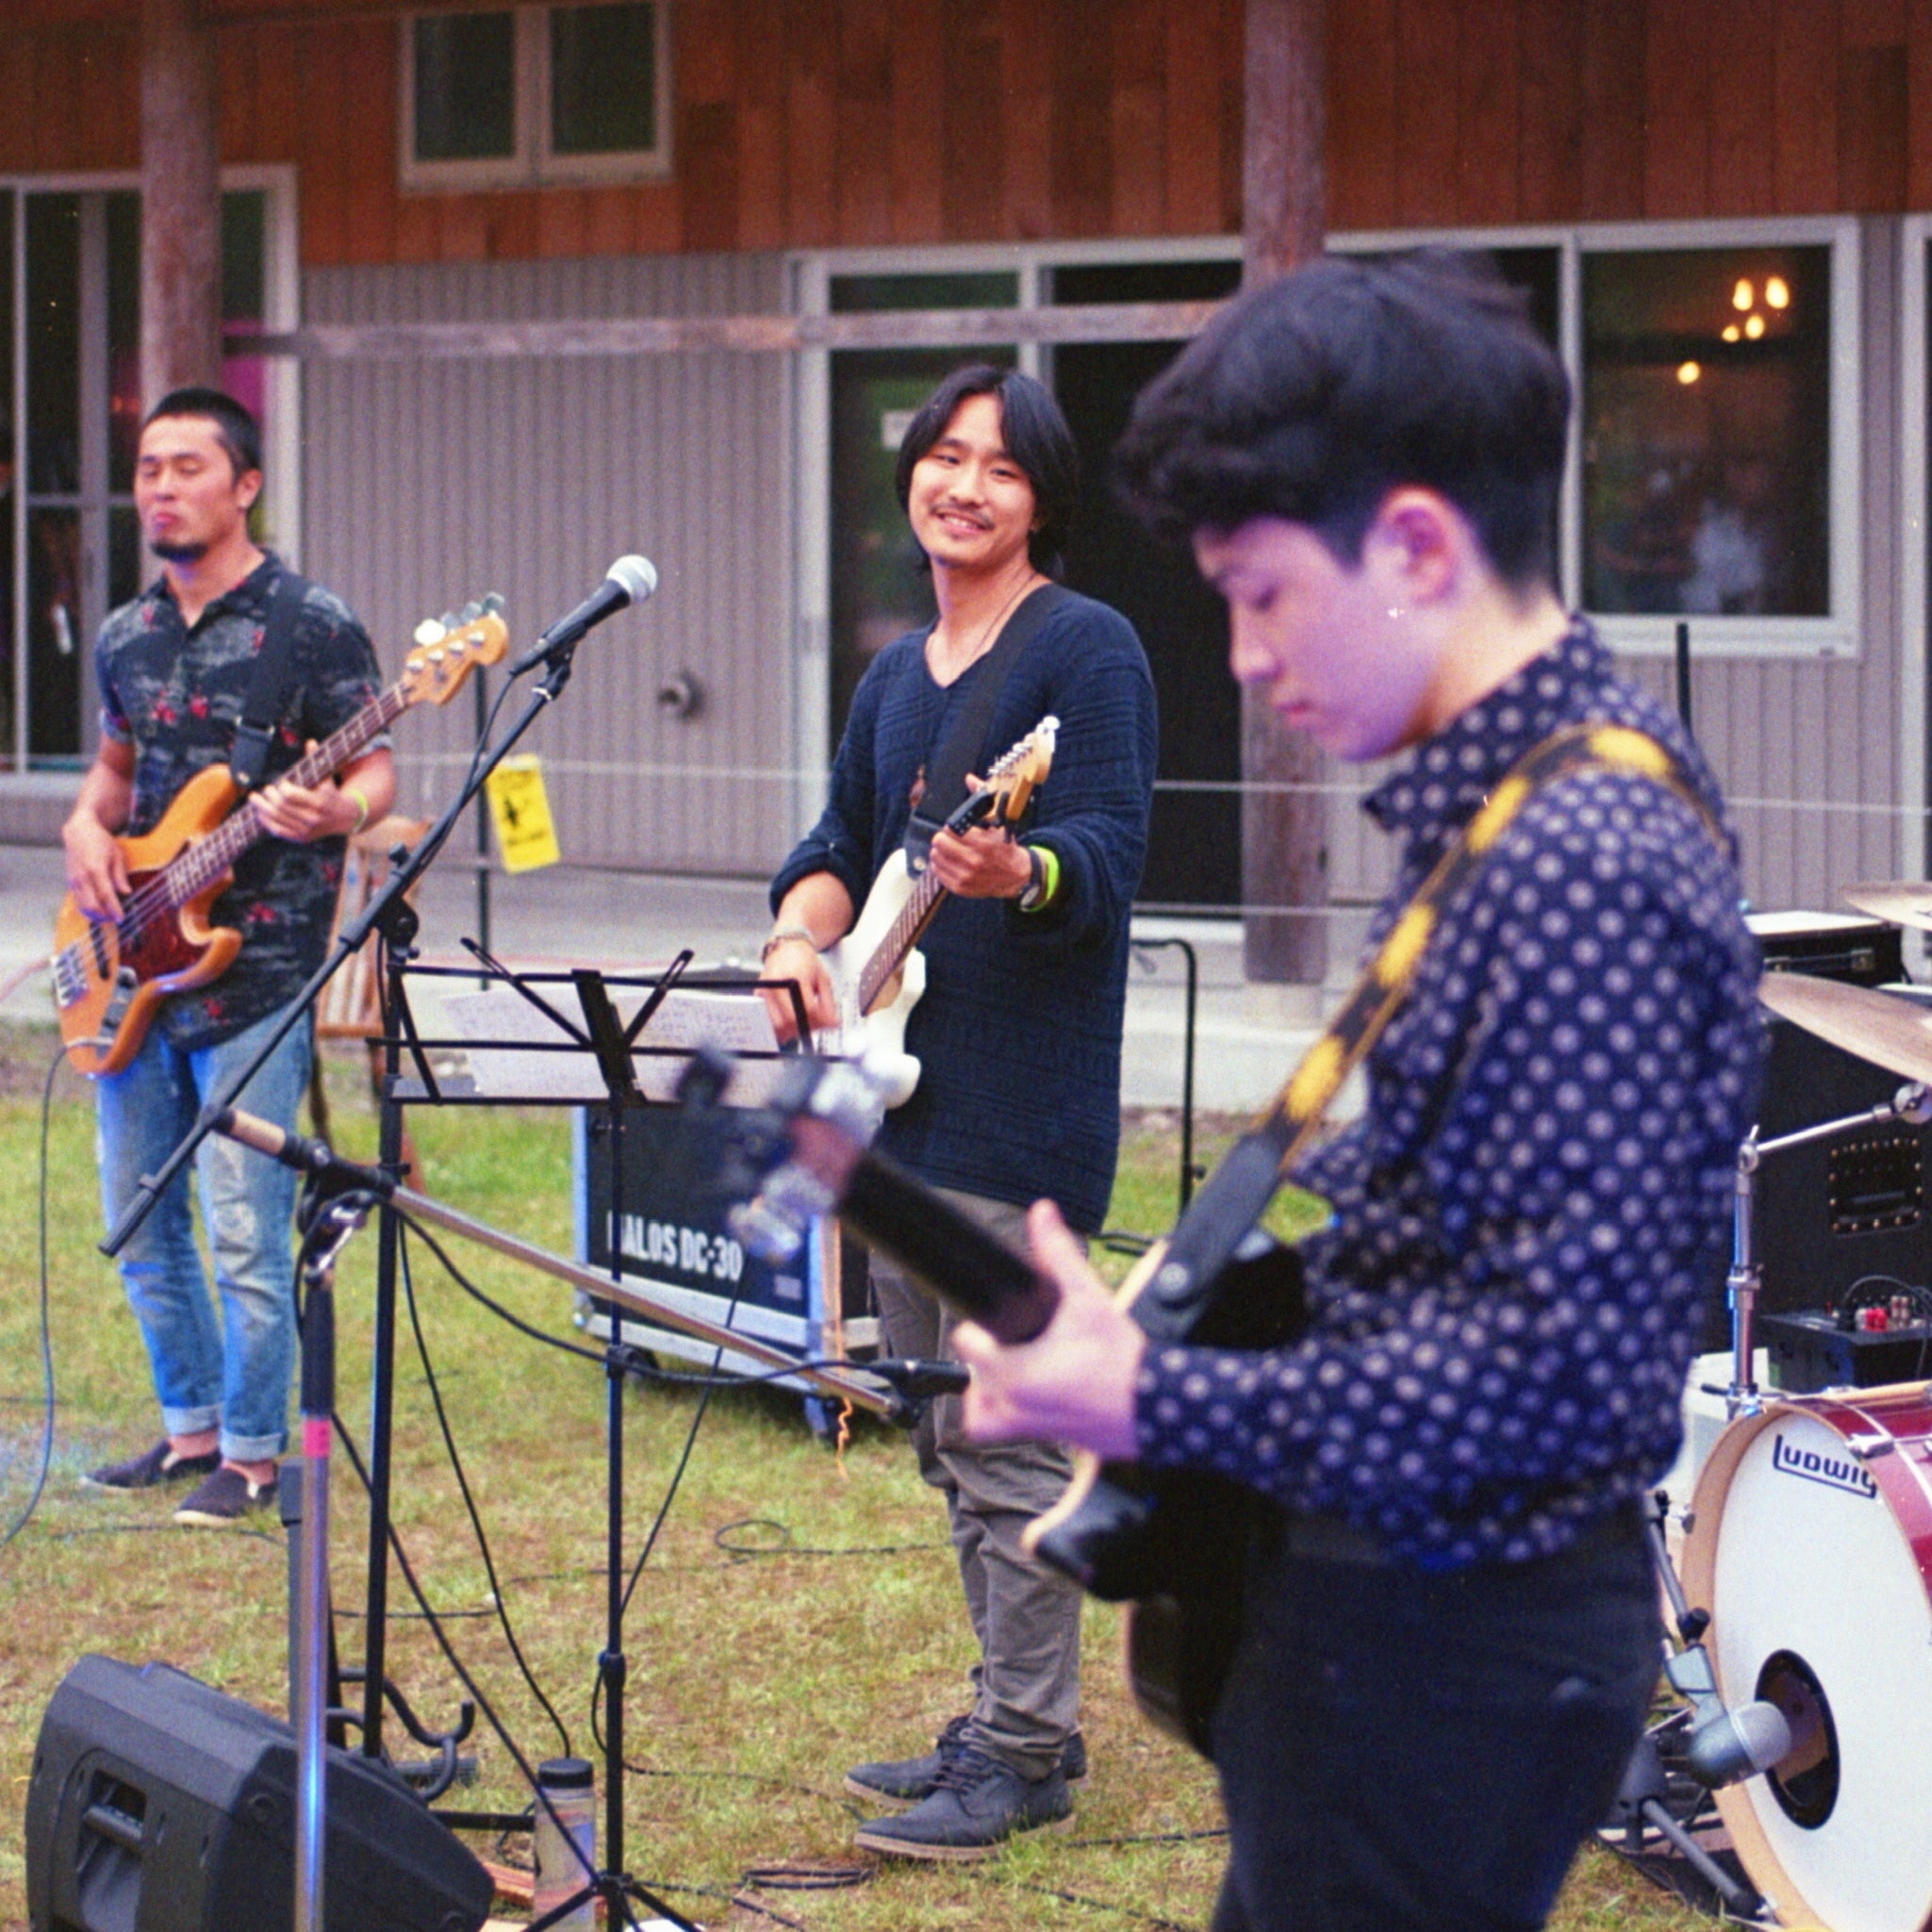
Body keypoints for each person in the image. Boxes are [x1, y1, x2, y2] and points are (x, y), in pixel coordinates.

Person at [949, 254, 1764, 1931]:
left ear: (1412, 546)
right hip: (1399, 1621)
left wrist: (1155, 1402)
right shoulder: (1512, 805)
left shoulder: (1578, 858)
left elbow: (1555, 1381)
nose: (1242, 656)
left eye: (1259, 591)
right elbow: (1456, 1244)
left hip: (1450, 1648)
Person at [763, 364, 1158, 1858]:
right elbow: (837, 844)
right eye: (944, 455)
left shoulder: (1086, 648)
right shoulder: (893, 676)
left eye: (1000, 466)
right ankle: (1010, 1709)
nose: (964, 485)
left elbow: (1107, 850)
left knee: (1006, 1436)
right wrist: (794, 938)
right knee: (940, 1430)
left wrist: (1022, 869)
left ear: (1041, 499)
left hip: (1017, 1113)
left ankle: (1025, 1750)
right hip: (893, 1102)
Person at [64, 388, 395, 1527]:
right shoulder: (125, 634)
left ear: (246, 485)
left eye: (188, 466)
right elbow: (115, 774)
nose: (162, 486)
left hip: (257, 973)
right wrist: (84, 829)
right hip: (135, 971)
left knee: (246, 1228)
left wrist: (340, 812)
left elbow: (375, 768)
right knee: (141, 1222)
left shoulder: (311, 625)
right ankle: (191, 1428)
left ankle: (253, 1457)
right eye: (149, 468)